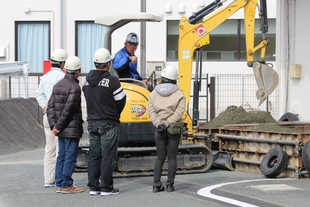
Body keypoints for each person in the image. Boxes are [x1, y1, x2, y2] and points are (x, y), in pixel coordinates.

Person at [83, 48, 126, 196]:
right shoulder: (112, 81)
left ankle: (93, 187)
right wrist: (115, 114)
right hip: (108, 122)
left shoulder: (86, 81)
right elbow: (121, 100)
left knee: (94, 155)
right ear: (108, 63)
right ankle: (107, 188)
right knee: (108, 155)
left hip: (92, 122)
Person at [47, 56, 84, 194]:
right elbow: (69, 110)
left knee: (61, 155)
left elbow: (50, 106)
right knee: (70, 156)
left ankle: (59, 183)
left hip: (60, 128)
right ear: (77, 70)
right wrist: (59, 126)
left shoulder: (58, 85)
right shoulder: (74, 87)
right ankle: (67, 184)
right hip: (70, 127)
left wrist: (54, 125)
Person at [148, 65, 186, 193]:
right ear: (175, 79)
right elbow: (179, 111)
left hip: (159, 130)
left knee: (160, 157)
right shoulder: (179, 94)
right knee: (172, 157)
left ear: (162, 78)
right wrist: (168, 123)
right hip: (173, 129)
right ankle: (170, 185)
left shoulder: (153, 93)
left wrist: (159, 123)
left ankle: (156, 185)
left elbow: (151, 111)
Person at [35, 49, 67, 188]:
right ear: (62, 63)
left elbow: (38, 94)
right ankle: (60, 180)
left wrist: (45, 106)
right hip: (59, 117)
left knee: (50, 149)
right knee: (61, 149)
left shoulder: (45, 77)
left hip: (47, 116)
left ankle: (48, 179)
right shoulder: (62, 78)